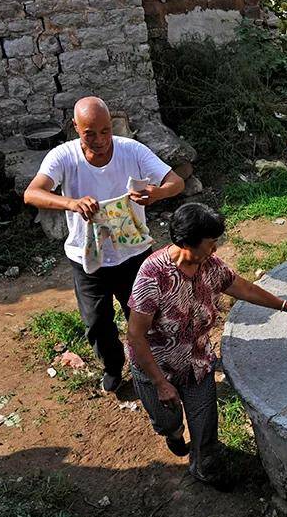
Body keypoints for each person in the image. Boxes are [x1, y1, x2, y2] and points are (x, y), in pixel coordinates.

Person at [126, 203, 287, 488]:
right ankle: (172, 433)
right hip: (156, 367)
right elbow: (135, 336)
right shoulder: (153, 276)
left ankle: (203, 467)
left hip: (197, 362)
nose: (215, 249)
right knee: (167, 420)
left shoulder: (209, 265)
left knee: (205, 425)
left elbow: (242, 287)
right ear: (185, 243)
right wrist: (160, 383)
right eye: (210, 244)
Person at [24, 97, 185, 392]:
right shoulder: (63, 156)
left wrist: (157, 194)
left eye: (105, 131)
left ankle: (151, 368)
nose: (99, 140)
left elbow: (176, 182)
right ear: (76, 128)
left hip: (134, 253)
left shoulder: (131, 150)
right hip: (87, 258)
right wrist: (71, 203)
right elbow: (32, 193)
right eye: (90, 133)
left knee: (142, 315)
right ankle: (113, 367)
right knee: (97, 323)